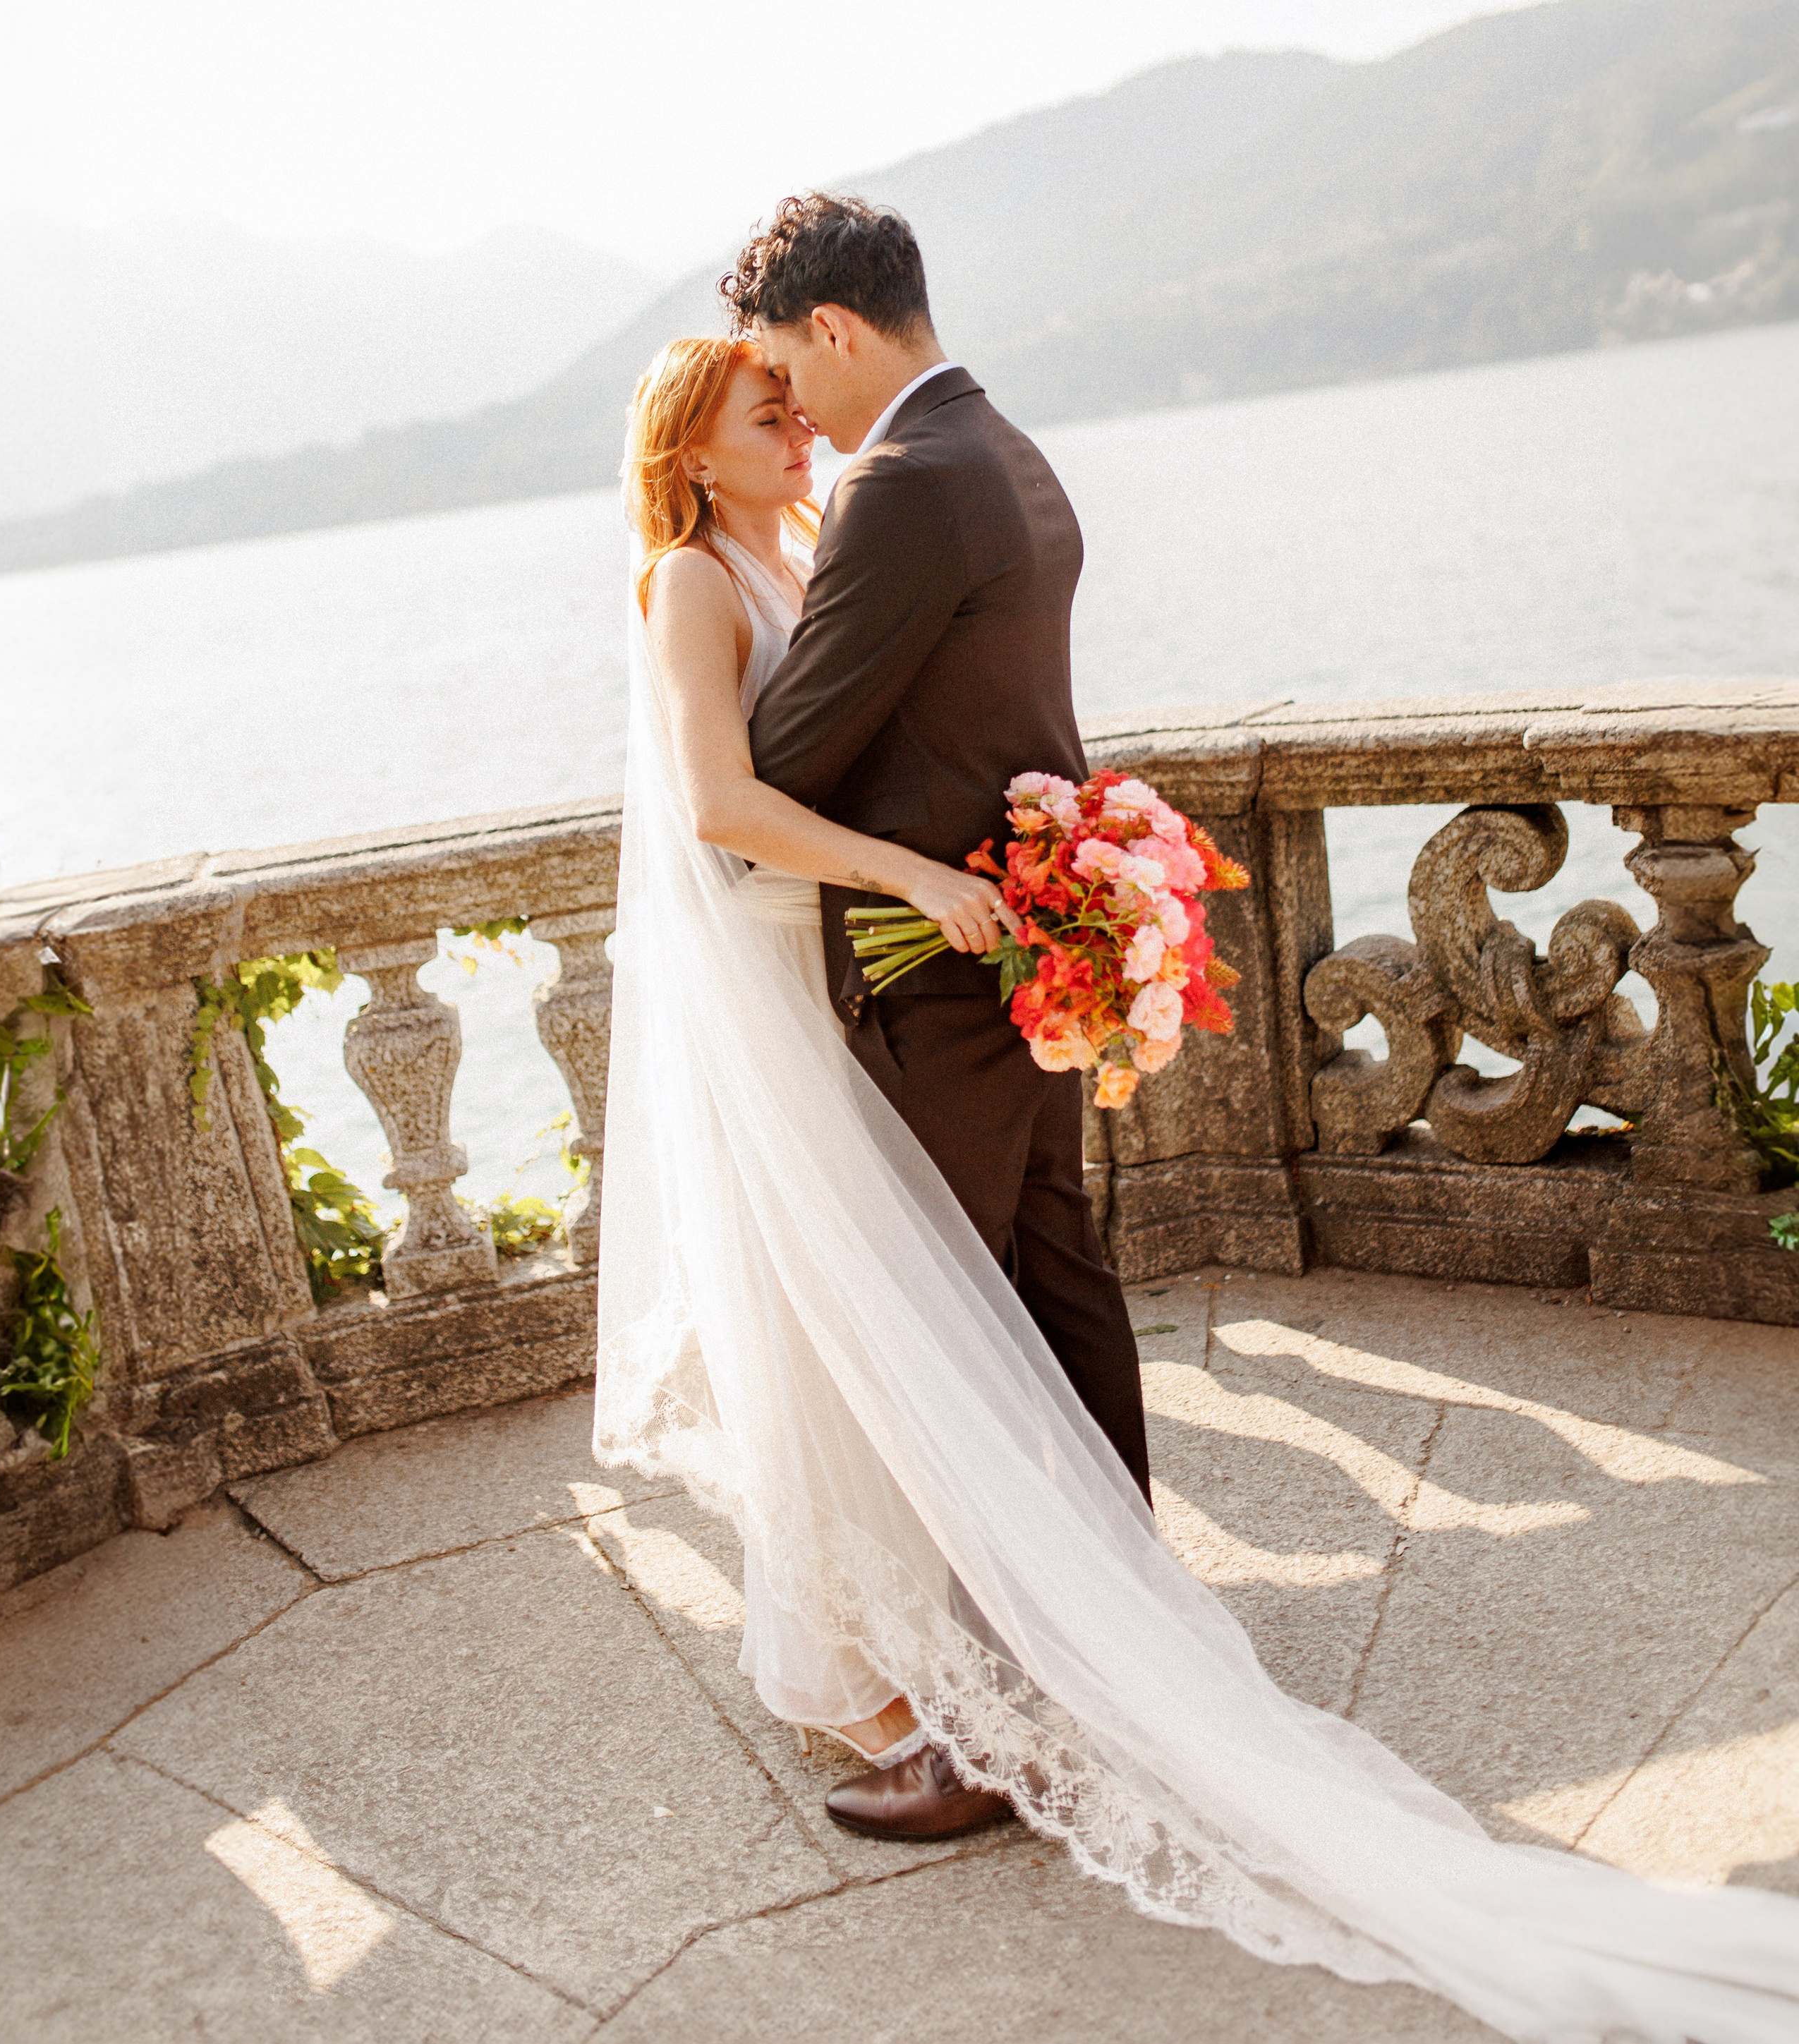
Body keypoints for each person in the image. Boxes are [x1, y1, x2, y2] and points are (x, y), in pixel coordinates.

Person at [594, 195, 1799, 2040]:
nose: (797, 415)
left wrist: (944, 861)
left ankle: (999, 1717)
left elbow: (789, 752)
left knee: (942, 1335)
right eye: (758, 406)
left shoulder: (906, 484)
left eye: (787, 376)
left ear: (832, 330)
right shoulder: (1002, 447)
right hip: (996, 945)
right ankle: (1113, 1612)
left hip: (949, 977)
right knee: (1048, 1278)